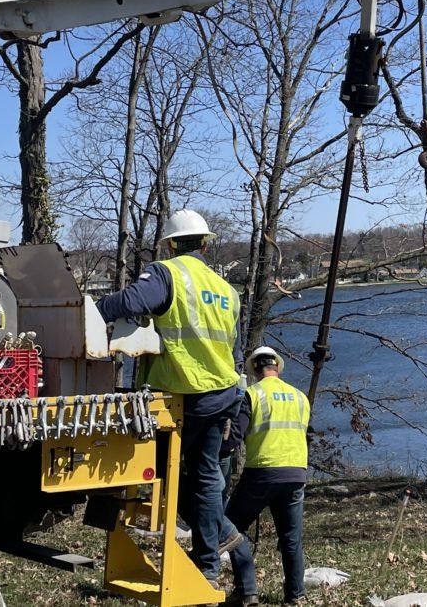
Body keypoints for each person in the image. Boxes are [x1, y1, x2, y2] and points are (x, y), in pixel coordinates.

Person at [96, 209, 243, 586]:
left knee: (165, 470)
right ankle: (209, 561)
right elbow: (234, 348)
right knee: (207, 475)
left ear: (171, 244)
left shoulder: (167, 273)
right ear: (206, 244)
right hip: (223, 392)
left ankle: (219, 535)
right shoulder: (226, 289)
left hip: (183, 393)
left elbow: (131, 302)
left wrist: (93, 313)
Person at [223, 346, 310, 606]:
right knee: (291, 538)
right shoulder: (299, 397)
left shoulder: (253, 394)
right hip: (296, 473)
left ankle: (247, 590)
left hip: (263, 471)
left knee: (231, 526)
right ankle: (296, 595)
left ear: (254, 370)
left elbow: (235, 437)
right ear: (277, 368)